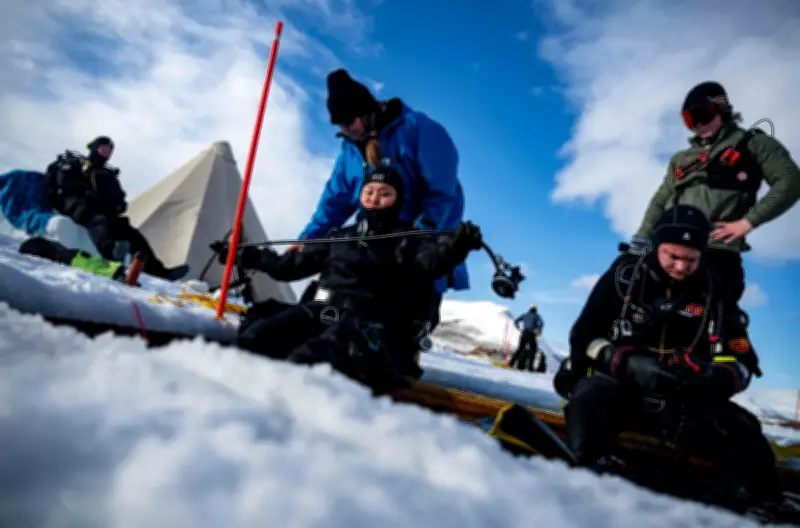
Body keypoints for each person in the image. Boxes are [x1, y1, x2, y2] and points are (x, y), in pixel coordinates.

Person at [555, 204, 778, 509]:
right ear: (656, 246)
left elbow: (744, 361)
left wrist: (718, 377)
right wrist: (626, 363)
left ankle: (749, 507)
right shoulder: (623, 277)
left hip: (685, 402)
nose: (681, 267)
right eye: (672, 256)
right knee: (587, 401)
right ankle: (577, 486)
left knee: (744, 432)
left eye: (691, 259)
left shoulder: (716, 292)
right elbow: (582, 337)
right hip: (620, 388)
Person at [223, 166, 483, 388]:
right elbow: (288, 267)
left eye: (384, 194)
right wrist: (245, 255)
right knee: (259, 336)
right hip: (320, 310)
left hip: (365, 326)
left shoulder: (408, 241)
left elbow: (432, 263)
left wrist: (456, 247)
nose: (375, 199)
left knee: (314, 355)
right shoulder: (341, 237)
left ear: (397, 199)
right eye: (369, 192)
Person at [289, 68, 468, 344]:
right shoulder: (350, 146)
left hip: (420, 240)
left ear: (365, 112)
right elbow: (336, 199)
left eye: (348, 121)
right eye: (339, 125)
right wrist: (308, 238)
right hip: (376, 243)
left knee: (406, 316)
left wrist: (420, 233)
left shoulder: (419, 130)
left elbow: (443, 193)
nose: (344, 129)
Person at [634, 81, 800, 306]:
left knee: (707, 312)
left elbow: (791, 181)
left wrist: (748, 221)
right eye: (690, 119)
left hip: (715, 250)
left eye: (703, 114)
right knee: (629, 294)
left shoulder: (754, 144)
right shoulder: (681, 159)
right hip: (669, 250)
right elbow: (660, 199)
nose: (698, 124)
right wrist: (643, 236)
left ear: (722, 109)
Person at [43, 136, 189, 281]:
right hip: (78, 206)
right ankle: (111, 253)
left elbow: (119, 197)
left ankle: (158, 271)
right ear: (94, 148)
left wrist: (117, 205)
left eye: (108, 152)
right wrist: (88, 192)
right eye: (102, 150)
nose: (105, 154)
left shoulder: (107, 175)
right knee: (98, 220)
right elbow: (65, 182)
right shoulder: (76, 163)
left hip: (102, 211)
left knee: (131, 233)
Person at [510, 304, 546, 372]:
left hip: (523, 333)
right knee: (533, 350)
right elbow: (542, 323)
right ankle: (530, 368)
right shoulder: (536, 316)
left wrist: (518, 328)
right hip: (531, 334)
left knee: (520, 349)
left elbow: (516, 321)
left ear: (530, 308)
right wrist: (539, 330)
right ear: (536, 309)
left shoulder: (525, 315)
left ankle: (511, 363)